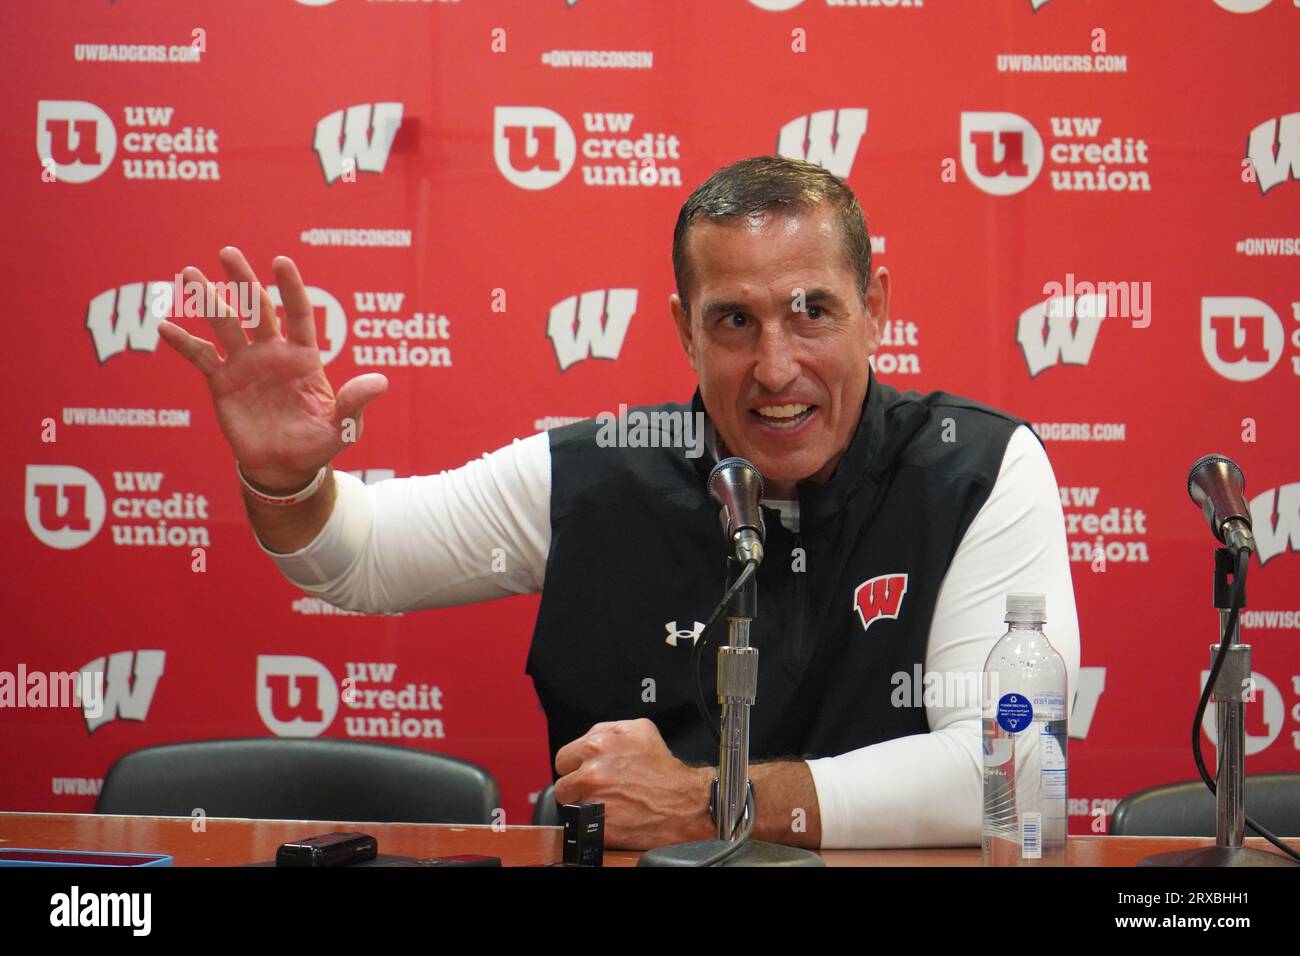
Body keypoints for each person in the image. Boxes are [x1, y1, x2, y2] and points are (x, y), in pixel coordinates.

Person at [158, 155, 1079, 851]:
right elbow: (355, 559)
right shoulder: (605, 473)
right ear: (684, 329)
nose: (776, 367)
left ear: (874, 307)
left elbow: (1013, 772)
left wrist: (713, 801)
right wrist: (288, 480)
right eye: (734, 321)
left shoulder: (977, 471)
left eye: (812, 311)